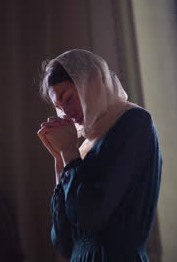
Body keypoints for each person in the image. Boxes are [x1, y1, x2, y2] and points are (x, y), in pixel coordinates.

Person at [37, 49, 162, 261]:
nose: (66, 113)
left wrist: (68, 152)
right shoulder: (83, 149)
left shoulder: (135, 123)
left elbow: (91, 215)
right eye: (59, 106)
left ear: (92, 82)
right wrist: (60, 161)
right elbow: (63, 243)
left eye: (68, 98)